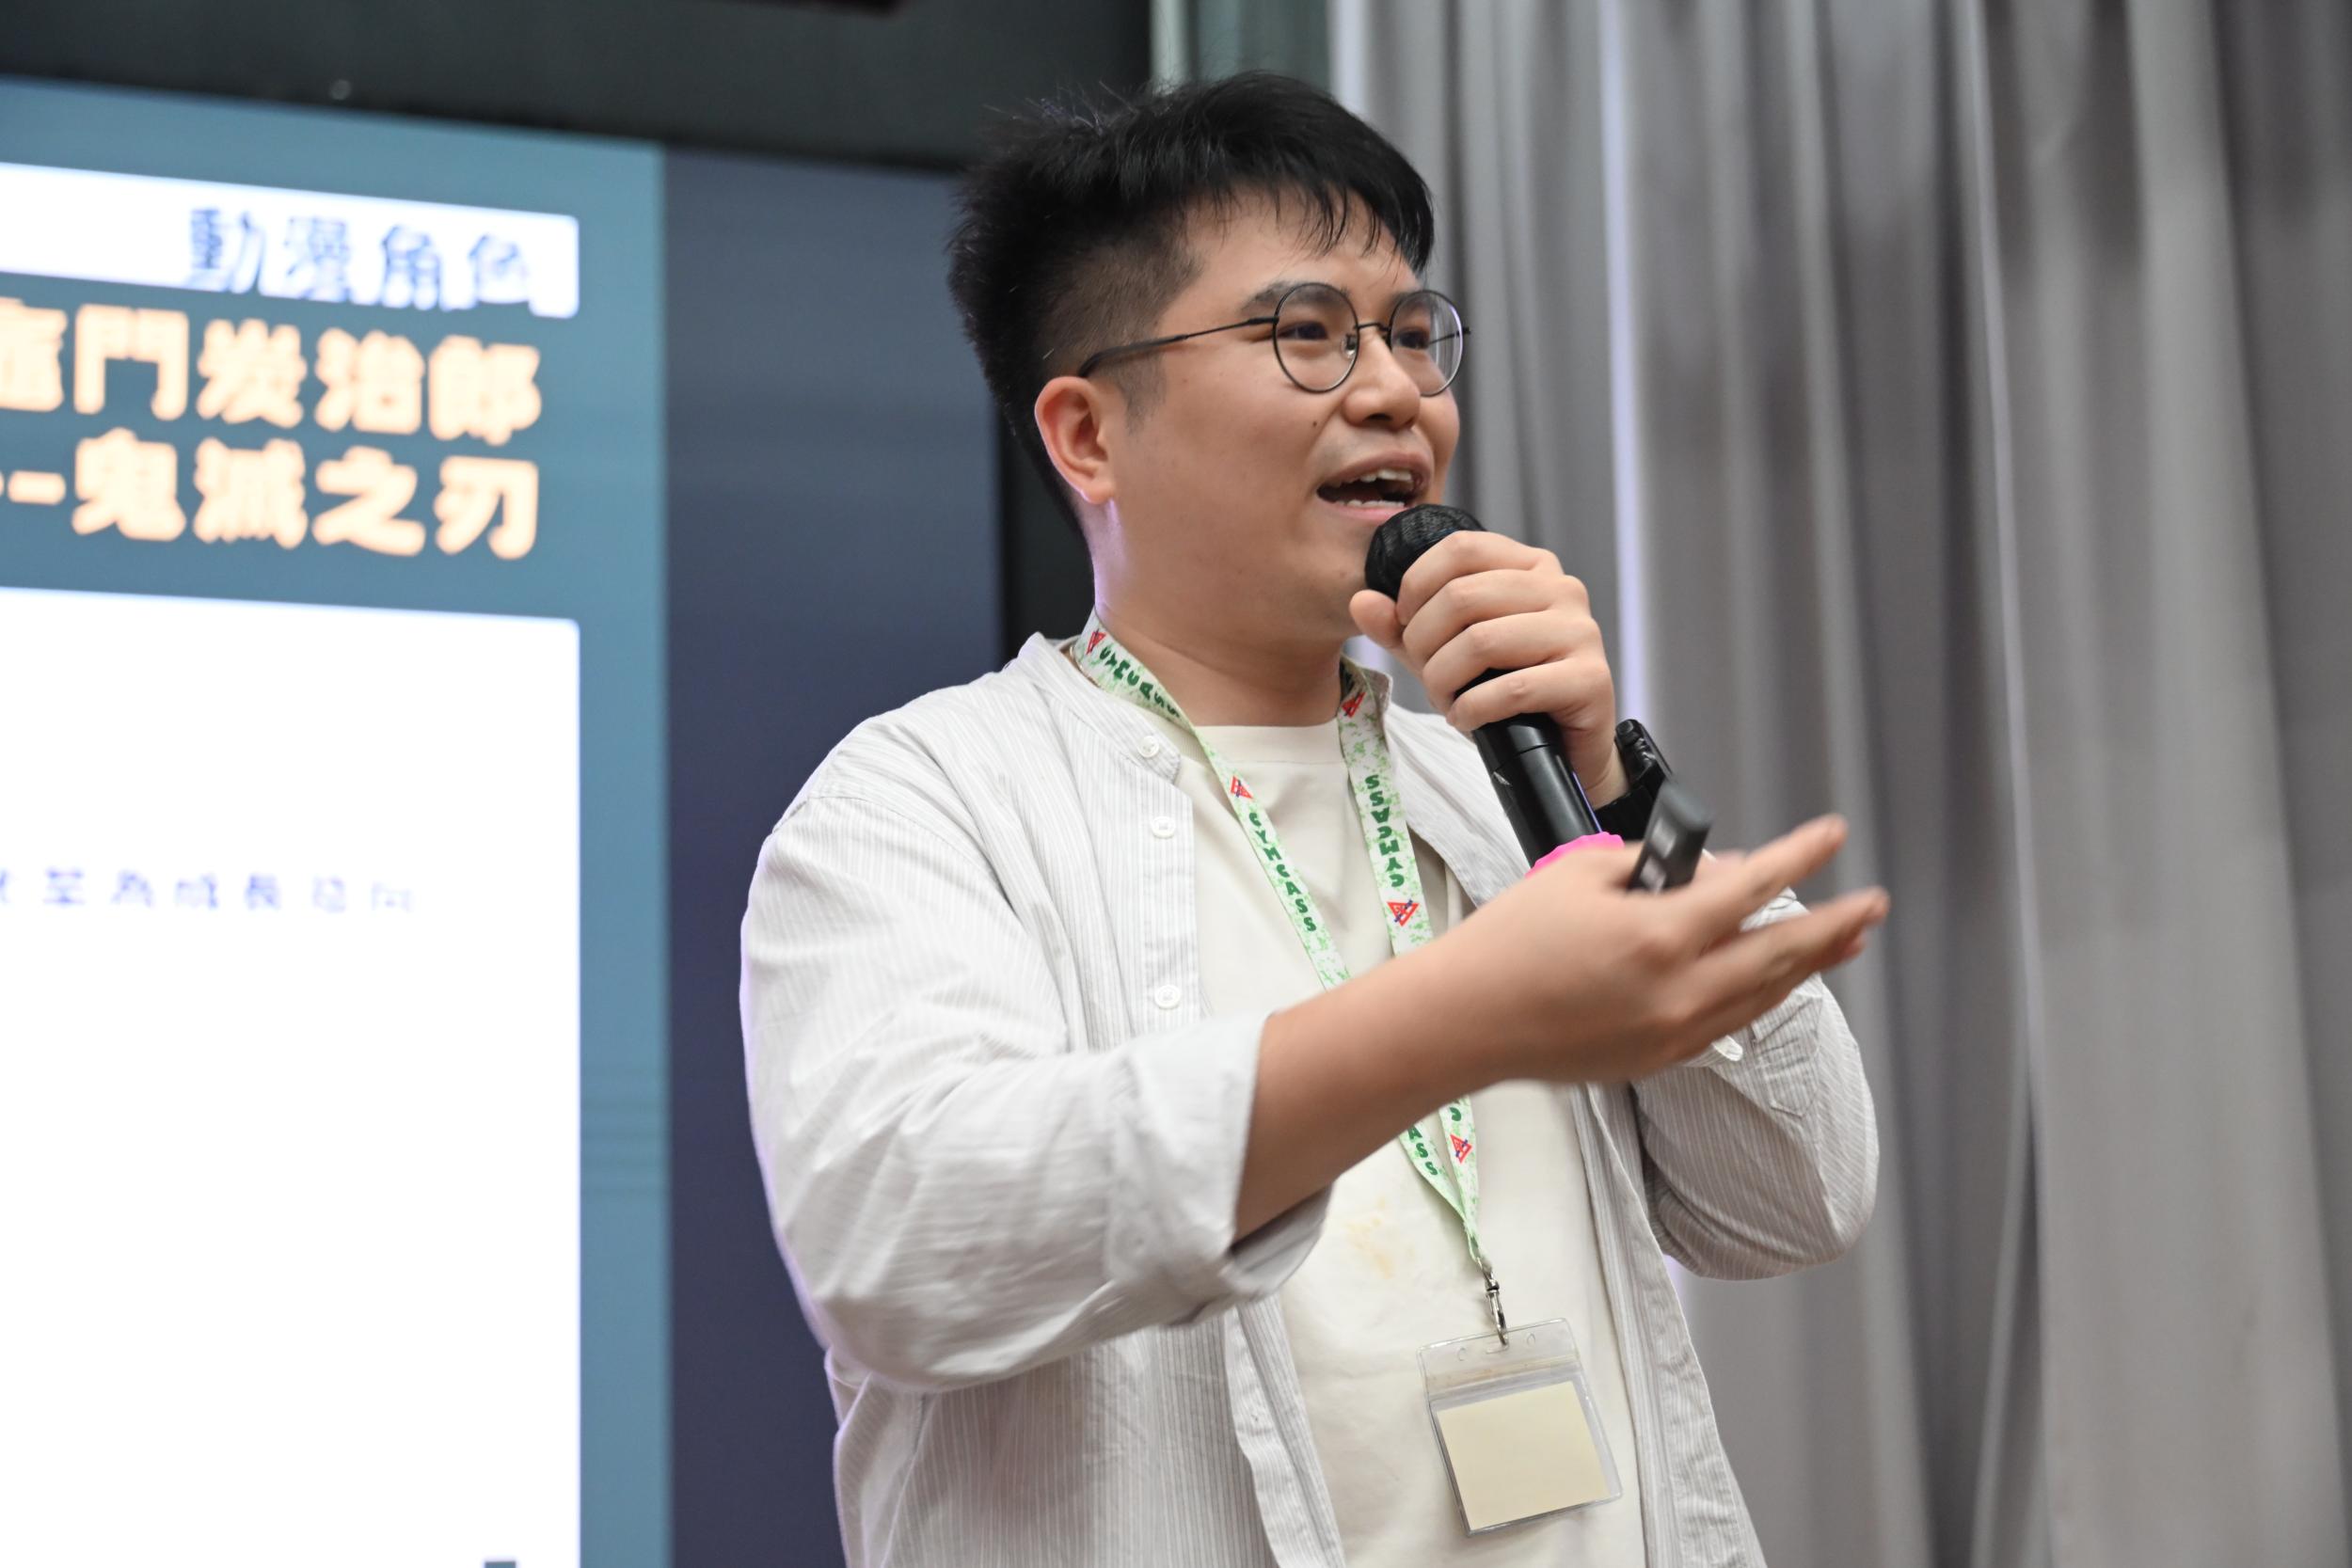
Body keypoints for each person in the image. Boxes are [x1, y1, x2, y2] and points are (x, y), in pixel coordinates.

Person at [741, 71, 1886, 1568]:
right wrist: (1462, 1016)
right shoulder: (924, 801)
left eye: (1411, 331)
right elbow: (900, 1245)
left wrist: (1610, 786)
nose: (1395, 390)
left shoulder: (1492, 779)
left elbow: (1799, 1195)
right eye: (1306, 332)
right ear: (1088, 435)